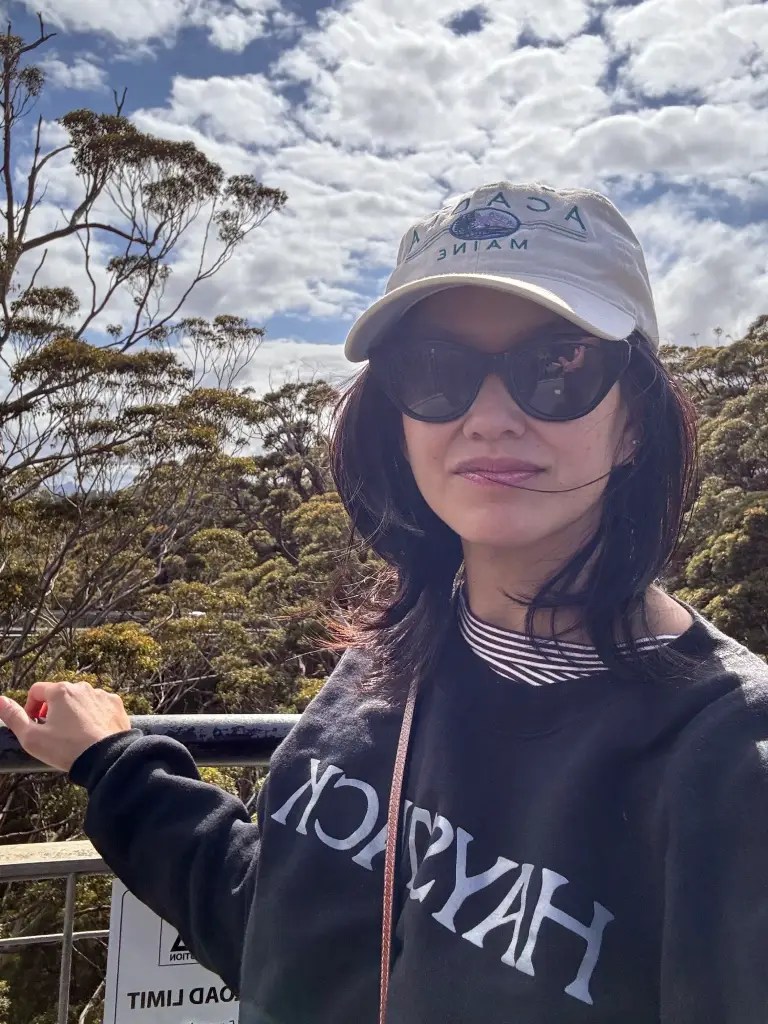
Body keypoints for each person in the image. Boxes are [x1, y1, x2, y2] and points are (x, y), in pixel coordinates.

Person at [1, 180, 767, 1024]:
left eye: (557, 366)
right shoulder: (381, 669)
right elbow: (282, 931)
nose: (490, 417)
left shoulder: (727, 760)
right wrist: (114, 762)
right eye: (436, 372)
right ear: (397, 417)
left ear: (634, 424)